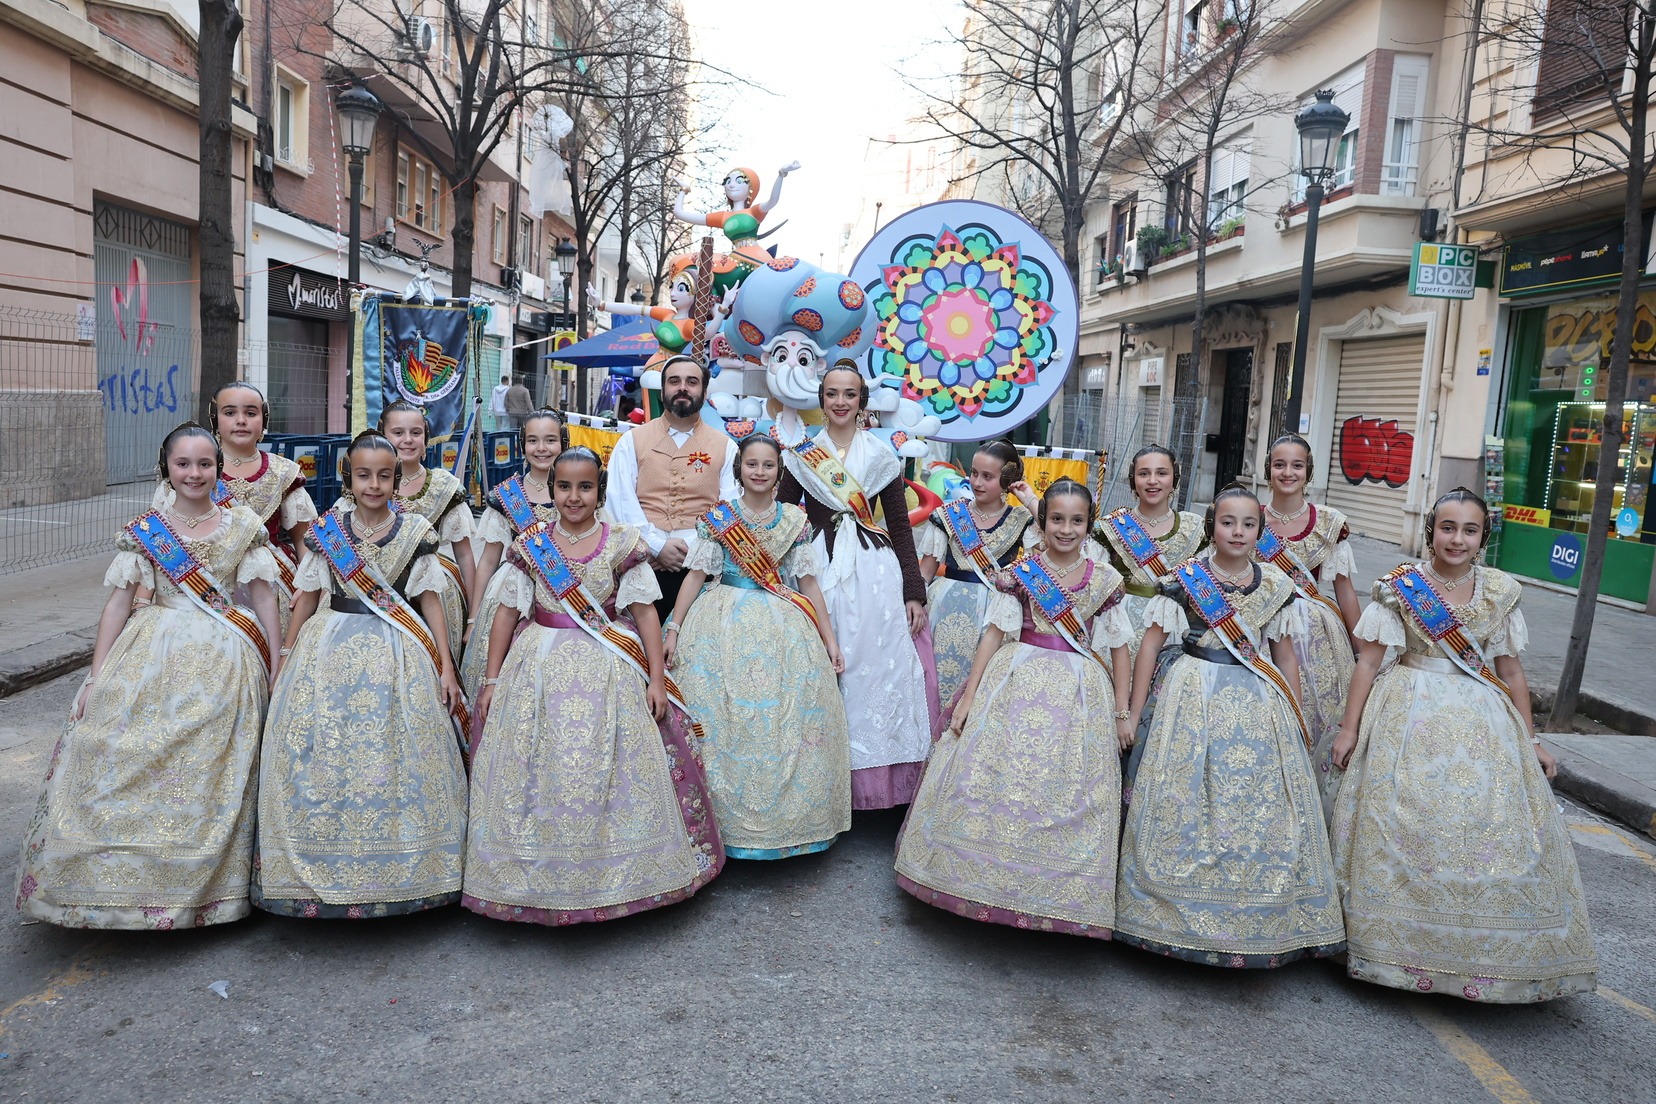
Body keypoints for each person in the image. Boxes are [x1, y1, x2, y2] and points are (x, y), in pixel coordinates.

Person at [1329, 488, 1598, 1002]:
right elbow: (1368, 661)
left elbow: (1511, 672)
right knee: (1402, 825)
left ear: (1483, 538)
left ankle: (1484, 953)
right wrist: (1349, 728)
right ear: (1431, 531)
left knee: (1485, 830)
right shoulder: (1399, 587)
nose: (1457, 539)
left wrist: (1531, 739)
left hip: (1482, 723)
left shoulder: (1499, 591)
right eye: (1447, 528)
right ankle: (1393, 945)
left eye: (1469, 530)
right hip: (1405, 714)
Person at [18, 423, 281, 929]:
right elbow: (118, 606)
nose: (194, 473)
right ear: (166, 468)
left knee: (207, 765)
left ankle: (198, 889)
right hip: (151, 649)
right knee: (116, 748)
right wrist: (96, 677)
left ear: (218, 469)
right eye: (183, 464)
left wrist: (277, 662)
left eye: (204, 464)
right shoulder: (147, 532)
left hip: (224, 657)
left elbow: (264, 599)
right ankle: (106, 886)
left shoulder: (243, 526)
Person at [463, 448, 723, 923]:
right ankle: (534, 877)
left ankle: (621, 876)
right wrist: (492, 678)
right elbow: (507, 614)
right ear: (552, 490)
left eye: (585, 487)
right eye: (564, 487)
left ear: (599, 493)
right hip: (537, 668)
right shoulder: (532, 545)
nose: (573, 497)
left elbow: (645, 613)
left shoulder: (622, 543)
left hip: (609, 668)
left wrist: (657, 680)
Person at [1114, 484, 1345, 968]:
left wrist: (1296, 715)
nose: (1238, 532)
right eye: (1227, 522)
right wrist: (1132, 713)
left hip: (1258, 702)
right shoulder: (1185, 579)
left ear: (1260, 531)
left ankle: (1259, 916)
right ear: (1211, 527)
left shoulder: (1275, 586)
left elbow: (1285, 656)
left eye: (1248, 524)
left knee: (1255, 804)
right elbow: (1150, 647)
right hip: (1191, 695)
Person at [896, 479, 1133, 938]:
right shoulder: (1021, 573)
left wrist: (1122, 712)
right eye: (1057, 519)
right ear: (1042, 521)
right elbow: (992, 636)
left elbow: (1120, 649)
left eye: (1077, 521)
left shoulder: (1106, 581)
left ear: (1089, 525)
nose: (1066, 529)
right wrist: (970, 696)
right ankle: (978, 880)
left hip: (1078, 694)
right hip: (1013, 679)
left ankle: (1052, 893)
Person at [254, 432, 469, 919]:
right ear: (348, 478)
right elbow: (308, 595)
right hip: (328, 647)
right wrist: (286, 652)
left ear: (397, 479)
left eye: (384, 476)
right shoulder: (328, 532)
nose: (374, 485)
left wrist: (445, 664)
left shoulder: (416, 532)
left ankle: (406, 872)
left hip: (399, 650)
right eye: (364, 475)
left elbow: (430, 600)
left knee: (398, 752)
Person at [665, 433, 851, 859]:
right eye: (752, 464)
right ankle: (720, 825)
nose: (760, 472)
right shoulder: (720, 518)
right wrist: (674, 628)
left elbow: (808, 584)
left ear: (779, 472)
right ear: (739, 469)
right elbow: (695, 576)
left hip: (783, 624)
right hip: (719, 624)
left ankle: (786, 827)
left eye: (768, 465)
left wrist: (829, 639)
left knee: (784, 721)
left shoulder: (794, 521)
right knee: (723, 719)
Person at [777, 364, 931, 809]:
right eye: (832, 394)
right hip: (817, 571)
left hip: (873, 574)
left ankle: (875, 784)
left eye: (849, 394)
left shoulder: (882, 456)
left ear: (861, 401)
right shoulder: (802, 456)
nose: (840, 402)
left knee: (873, 672)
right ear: (821, 400)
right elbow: (782, 515)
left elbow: (899, 527)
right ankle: (822, 781)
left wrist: (914, 591)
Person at [147, 382, 315, 638]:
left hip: (269, 583)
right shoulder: (193, 472)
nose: (241, 421)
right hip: (201, 582)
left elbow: (304, 538)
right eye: (229, 412)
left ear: (264, 417)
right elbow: (158, 539)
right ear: (214, 418)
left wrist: (307, 582)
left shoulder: (283, 472)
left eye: (250, 413)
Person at [1256, 433, 1359, 820]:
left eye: (1297, 465)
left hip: (1319, 640)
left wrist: (1364, 650)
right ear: (1268, 470)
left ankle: (1311, 810)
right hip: (1261, 631)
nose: (1288, 472)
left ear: (1309, 472)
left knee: (1319, 720)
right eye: (1280, 465)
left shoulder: (1329, 524)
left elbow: (1345, 592)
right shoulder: (1248, 516)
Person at [604, 355, 738, 619]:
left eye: (692, 382)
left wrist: (690, 548)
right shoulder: (631, 441)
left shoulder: (726, 447)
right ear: (662, 389)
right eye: (674, 381)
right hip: (643, 563)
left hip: (702, 565)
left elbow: (731, 508)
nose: (683, 388)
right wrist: (655, 547)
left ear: (704, 391)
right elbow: (619, 500)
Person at [915, 440, 1037, 719]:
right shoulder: (949, 514)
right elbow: (926, 572)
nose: (977, 482)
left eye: (988, 476)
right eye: (974, 473)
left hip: (993, 619)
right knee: (934, 686)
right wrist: (915, 600)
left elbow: (1055, 537)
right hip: (943, 614)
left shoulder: (1021, 519)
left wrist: (1029, 500)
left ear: (1007, 479)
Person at [461, 409, 566, 713]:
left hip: (562, 597)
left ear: (564, 442)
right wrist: (473, 619)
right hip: (510, 597)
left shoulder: (575, 490)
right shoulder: (507, 495)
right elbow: (488, 561)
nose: (541, 448)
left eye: (550, 440)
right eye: (533, 440)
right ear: (522, 444)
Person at [1092, 445, 1205, 662]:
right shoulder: (1110, 528)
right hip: (1121, 629)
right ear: (1133, 479)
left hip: (1172, 628)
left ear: (1174, 478)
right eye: (1144, 474)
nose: (1153, 481)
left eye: (1161, 473)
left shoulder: (1195, 529)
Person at [380, 400, 475, 660]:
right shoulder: (368, 483)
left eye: (416, 433)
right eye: (398, 433)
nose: (407, 440)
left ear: (426, 439)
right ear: (382, 436)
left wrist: (474, 614)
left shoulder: (444, 486)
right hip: (379, 584)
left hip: (434, 588)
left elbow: (465, 554)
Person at [673, 164, 799, 293]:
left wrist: (781, 174)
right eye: (728, 181)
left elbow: (772, 201)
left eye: (739, 181)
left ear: (751, 188)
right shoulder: (723, 217)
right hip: (735, 261)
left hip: (757, 259)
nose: (732, 185)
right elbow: (680, 213)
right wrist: (683, 190)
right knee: (692, 265)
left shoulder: (754, 211)